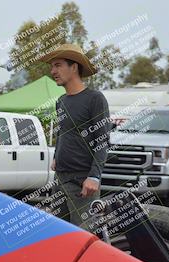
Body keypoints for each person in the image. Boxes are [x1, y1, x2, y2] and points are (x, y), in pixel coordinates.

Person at [40, 44, 111, 231]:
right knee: (56, 235)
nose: (53, 71)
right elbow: (62, 130)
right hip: (60, 178)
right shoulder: (61, 101)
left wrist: (94, 176)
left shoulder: (95, 99)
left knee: (84, 238)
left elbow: (102, 140)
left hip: (83, 182)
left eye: (58, 65)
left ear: (74, 67)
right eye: (52, 67)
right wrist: (56, 155)